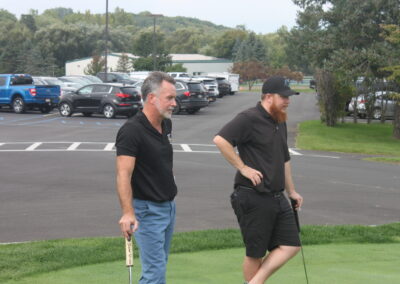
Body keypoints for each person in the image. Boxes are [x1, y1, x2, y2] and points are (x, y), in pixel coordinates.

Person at [213, 76, 304, 284]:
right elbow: (220, 140)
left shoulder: (280, 120)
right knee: (255, 253)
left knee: (292, 244)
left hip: (276, 195)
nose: (288, 101)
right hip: (252, 195)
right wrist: (243, 167)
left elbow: (285, 159)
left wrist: (292, 191)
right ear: (269, 96)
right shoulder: (249, 118)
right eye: (284, 97)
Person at [115, 71, 177, 284]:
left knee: (159, 265)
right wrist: (127, 212)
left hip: (168, 208)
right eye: (169, 98)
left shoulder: (165, 124)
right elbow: (123, 173)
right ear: (152, 98)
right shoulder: (131, 131)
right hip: (146, 211)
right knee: (155, 273)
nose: (174, 103)